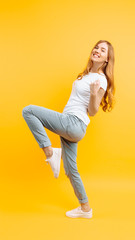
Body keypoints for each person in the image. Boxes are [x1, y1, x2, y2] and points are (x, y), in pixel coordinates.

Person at [22, 40, 115, 219]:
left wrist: (95, 94)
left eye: (102, 50)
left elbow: (93, 111)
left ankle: (50, 152)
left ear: (107, 59)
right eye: (96, 47)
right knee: (71, 170)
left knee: (29, 111)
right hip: (72, 126)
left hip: (73, 123)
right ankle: (85, 208)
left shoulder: (100, 79)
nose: (97, 50)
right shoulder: (87, 74)